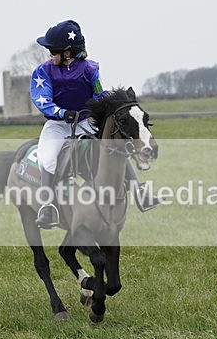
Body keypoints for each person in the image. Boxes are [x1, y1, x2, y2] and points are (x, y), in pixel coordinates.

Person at [30, 20, 157, 229]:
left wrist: (115, 101)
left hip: (86, 122)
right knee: (48, 158)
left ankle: (139, 191)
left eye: (53, 51)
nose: (50, 55)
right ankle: (47, 206)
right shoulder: (43, 71)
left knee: (113, 146)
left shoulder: (89, 69)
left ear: (68, 52)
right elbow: (42, 100)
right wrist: (61, 112)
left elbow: (98, 93)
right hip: (58, 124)